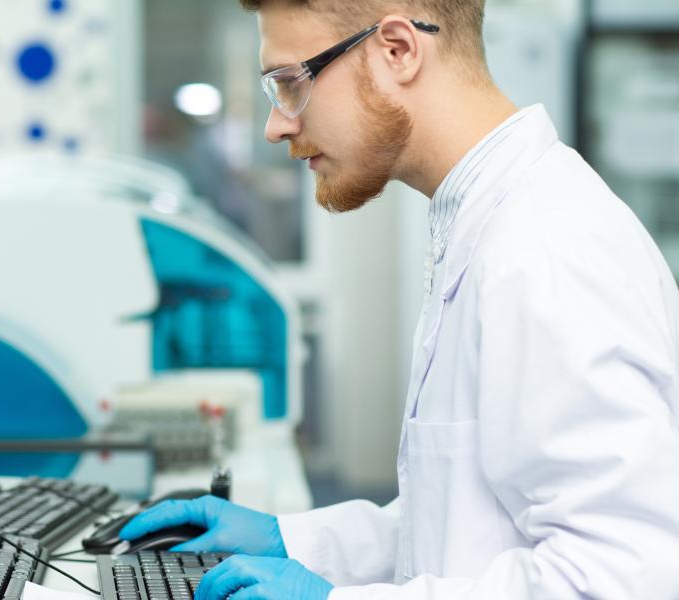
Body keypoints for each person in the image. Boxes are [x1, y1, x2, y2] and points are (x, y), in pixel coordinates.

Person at [118, 0, 679, 598]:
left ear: (398, 50)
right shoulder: (482, 220)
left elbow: (626, 575)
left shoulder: (544, 249)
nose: (276, 125)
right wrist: (294, 541)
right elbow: (467, 527)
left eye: (290, 83)